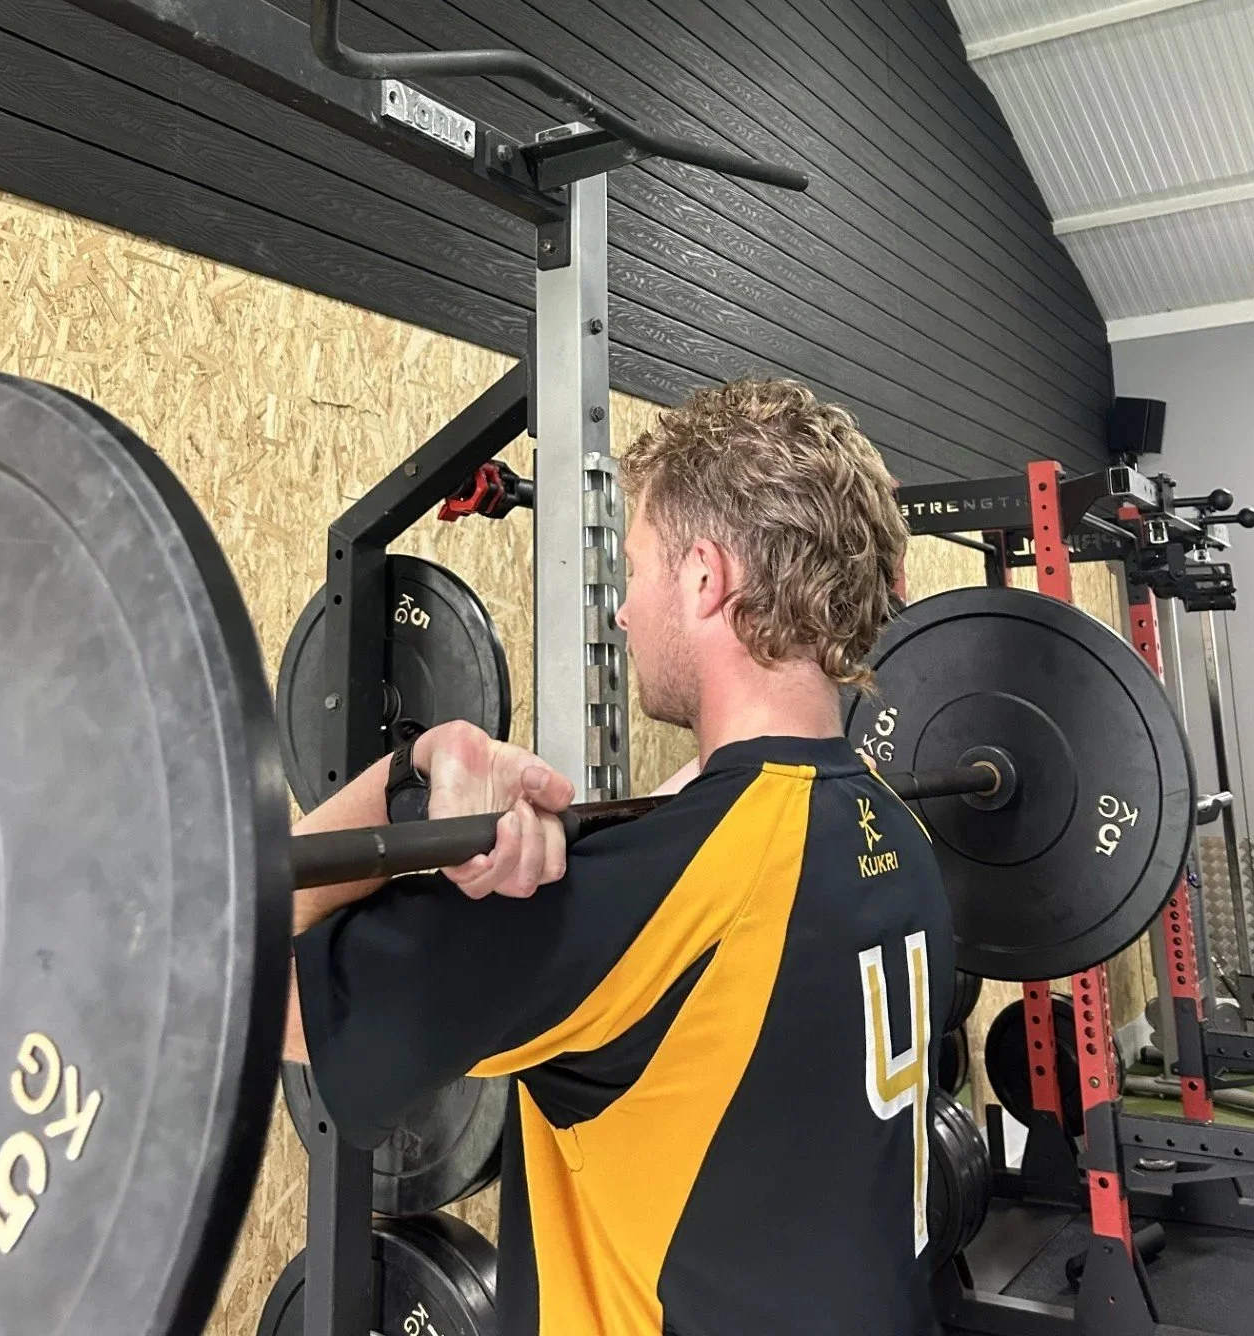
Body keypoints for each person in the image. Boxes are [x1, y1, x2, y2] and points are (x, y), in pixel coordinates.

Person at [286, 379, 955, 1336]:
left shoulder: (643, 903)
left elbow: (235, 962)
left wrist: (408, 771)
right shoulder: (898, 833)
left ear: (703, 579)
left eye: (633, 568)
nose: (623, 613)